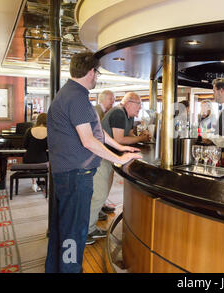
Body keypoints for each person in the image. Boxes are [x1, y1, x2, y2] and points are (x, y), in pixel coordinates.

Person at [45, 52, 141, 273]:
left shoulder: (69, 93)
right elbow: (88, 141)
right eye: (97, 72)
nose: (97, 76)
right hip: (76, 175)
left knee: (62, 229)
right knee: (73, 233)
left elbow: (96, 132)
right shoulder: (77, 97)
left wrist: (121, 147)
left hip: (67, 173)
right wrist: (118, 159)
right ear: (91, 72)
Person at [87, 92, 151, 244]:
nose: (140, 108)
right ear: (129, 103)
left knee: (103, 192)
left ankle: (90, 225)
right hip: (101, 156)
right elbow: (120, 139)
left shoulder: (127, 115)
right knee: (99, 194)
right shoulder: (118, 113)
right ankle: (86, 231)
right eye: (139, 104)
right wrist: (141, 138)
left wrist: (138, 136)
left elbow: (128, 134)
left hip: (108, 156)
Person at [93, 90, 116, 219]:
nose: (113, 101)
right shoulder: (95, 110)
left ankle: (102, 204)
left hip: (107, 151)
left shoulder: (108, 112)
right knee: (99, 184)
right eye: (110, 99)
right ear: (102, 99)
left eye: (113, 99)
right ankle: (97, 209)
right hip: (98, 153)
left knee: (107, 179)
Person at [22, 113, 48, 192]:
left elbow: (25, 145)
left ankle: (34, 183)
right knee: (51, 161)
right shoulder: (50, 131)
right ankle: (46, 182)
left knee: (33, 160)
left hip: (28, 159)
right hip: (42, 160)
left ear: (38, 120)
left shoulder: (29, 130)